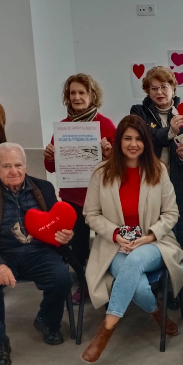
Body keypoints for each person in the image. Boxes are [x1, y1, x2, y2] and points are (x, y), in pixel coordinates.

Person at [81, 115, 183, 363]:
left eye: (139, 138)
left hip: (154, 243)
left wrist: (150, 235)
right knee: (137, 282)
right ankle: (158, 314)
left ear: (146, 142)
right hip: (114, 245)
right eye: (127, 138)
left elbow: (171, 213)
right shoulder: (101, 172)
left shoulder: (157, 169)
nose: (133, 144)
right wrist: (116, 234)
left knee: (136, 260)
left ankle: (106, 329)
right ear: (118, 141)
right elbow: (91, 214)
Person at [0, 143, 74, 365]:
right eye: (6, 166)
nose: (13, 171)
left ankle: (47, 320)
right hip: (2, 254)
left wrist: (65, 235)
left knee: (62, 278)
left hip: (39, 252)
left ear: (25, 165)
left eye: (18, 165)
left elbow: (57, 222)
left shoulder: (43, 188)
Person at [44, 73, 116, 304]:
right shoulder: (63, 128)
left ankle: (107, 283)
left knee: (106, 245)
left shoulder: (105, 125)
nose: (77, 97)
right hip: (71, 199)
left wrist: (109, 153)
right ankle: (84, 284)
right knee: (77, 247)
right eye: (73, 93)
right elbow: (52, 168)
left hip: (101, 199)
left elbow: (119, 165)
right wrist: (50, 156)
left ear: (92, 95)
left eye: (81, 93)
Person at [130, 66, 183, 247]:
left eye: (164, 87)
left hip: (180, 186)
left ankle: (179, 275)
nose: (159, 92)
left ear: (173, 89)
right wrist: (170, 131)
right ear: (148, 92)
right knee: (153, 239)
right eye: (154, 88)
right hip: (149, 186)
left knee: (181, 238)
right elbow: (145, 136)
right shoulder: (138, 111)